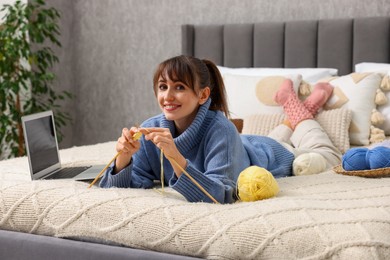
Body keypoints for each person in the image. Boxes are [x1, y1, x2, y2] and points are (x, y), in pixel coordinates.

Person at [99, 55, 341, 204]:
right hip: (242, 145)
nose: (168, 96)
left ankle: (297, 106)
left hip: (269, 153)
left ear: (203, 95)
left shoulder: (221, 130)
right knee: (274, 134)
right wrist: (124, 158)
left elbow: (221, 194)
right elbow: (125, 187)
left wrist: (174, 156)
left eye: (180, 87)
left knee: (325, 154)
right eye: (163, 86)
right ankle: (293, 113)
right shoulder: (150, 128)